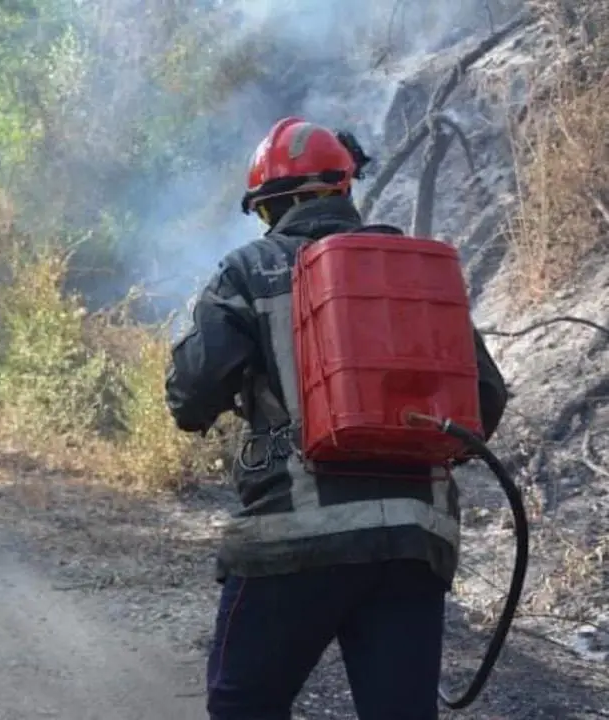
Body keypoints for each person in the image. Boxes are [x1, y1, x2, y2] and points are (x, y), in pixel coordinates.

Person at [164, 117, 509, 720]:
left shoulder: (250, 269)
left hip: (294, 533)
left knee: (243, 704)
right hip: (413, 539)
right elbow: (486, 400)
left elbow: (190, 397)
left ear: (275, 206)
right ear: (345, 191)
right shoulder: (415, 272)